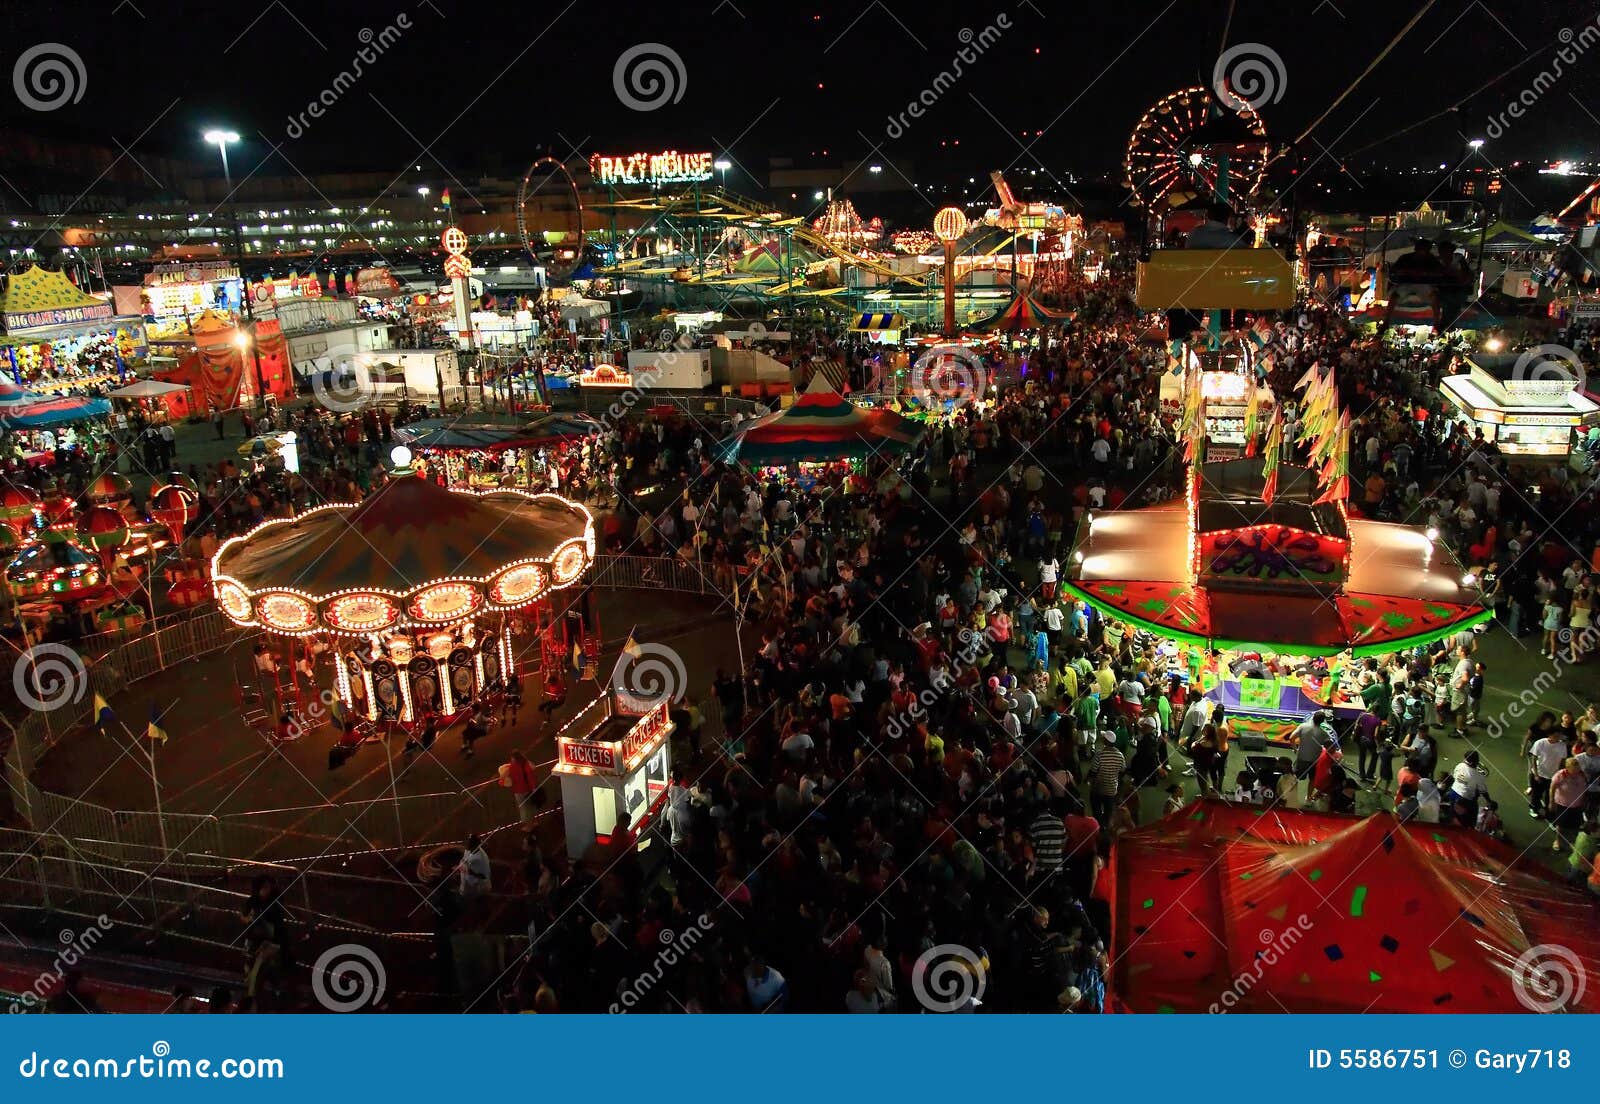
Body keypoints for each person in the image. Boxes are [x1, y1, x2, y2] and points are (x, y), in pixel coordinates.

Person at [503, 749, 540, 829]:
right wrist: (534, 788)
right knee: (531, 806)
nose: (511, 759)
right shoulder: (526, 764)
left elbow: (504, 778)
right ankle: (534, 821)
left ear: (514, 758)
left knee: (524, 809)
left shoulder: (512, 767)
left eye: (512, 758)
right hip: (529, 789)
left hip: (519, 791)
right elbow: (531, 776)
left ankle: (528, 826)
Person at [458, 834, 491, 901]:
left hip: (477, 889)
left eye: (470, 842)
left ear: (475, 844)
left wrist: (472, 873)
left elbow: (485, 876)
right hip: (466, 885)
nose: (467, 844)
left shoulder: (482, 859)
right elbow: (465, 860)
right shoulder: (468, 849)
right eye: (467, 841)